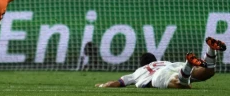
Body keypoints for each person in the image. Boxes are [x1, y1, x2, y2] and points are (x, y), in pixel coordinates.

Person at [95, 37, 226, 89]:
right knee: (207, 72)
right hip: (173, 65)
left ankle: (189, 64)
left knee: (181, 84)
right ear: (155, 61)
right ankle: (210, 50)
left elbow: (116, 83)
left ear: (142, 64)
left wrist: (102, 85)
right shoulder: (162, 62)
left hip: (159, 76)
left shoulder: (138, 72)